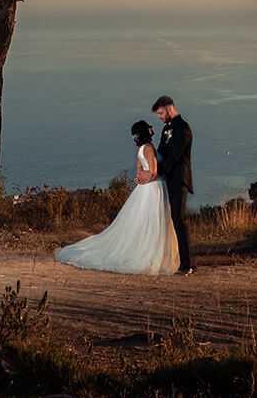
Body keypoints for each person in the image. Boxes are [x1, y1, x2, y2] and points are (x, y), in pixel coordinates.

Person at [53, 120, 179, 274]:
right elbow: (153, 172)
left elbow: (139, 170)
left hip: (143, 188)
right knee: (155, 220)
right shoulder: (150, 149)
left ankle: (143, 248)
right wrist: (152, 176)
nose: (152, 127)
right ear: (145, 131)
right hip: (155, 187)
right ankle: (151, 252)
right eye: (148, 126)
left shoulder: (139, 149)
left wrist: (140, 179)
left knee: (142, 220)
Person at [153, 95, 193, 274]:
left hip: (178, 179)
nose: (160, 117)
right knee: (169, 219)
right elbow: (162, 150)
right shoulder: (166, 129)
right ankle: (173, 258)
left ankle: (187, 264)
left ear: (169, 108)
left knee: (179, 219)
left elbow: (175, 157)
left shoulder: (183, 129)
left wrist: (156, 172)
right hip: (167, 180)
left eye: (161, 113)